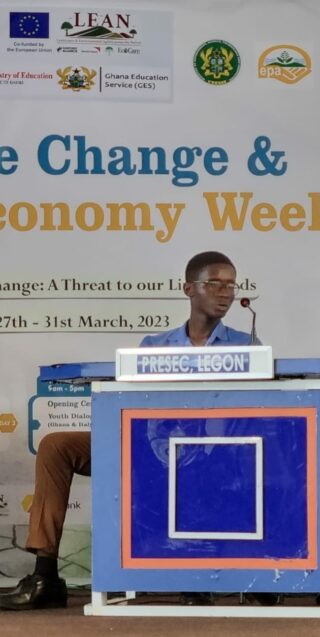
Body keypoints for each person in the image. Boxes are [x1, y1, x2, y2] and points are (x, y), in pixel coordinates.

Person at [0, 251, 253, 611]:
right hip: (149, 445)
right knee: (56, 445)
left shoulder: (245, 345)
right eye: (214, 283)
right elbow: (137, 404)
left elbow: (245, 414)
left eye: (230, 285)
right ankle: (45, 575)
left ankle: (197, 574)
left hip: (209, 449)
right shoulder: (156, 345)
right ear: (188, 288)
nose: (225, 292)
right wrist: (152, 440)